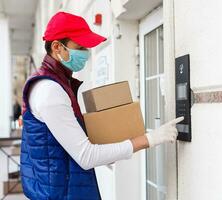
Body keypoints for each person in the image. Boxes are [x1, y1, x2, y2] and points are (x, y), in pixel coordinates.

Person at [20, 12, 183, 200]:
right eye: (79, 47)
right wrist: (150, 139)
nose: (85, 54)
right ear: (57, 47)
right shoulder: (50, 90)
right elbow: (86, 156)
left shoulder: (56, 83)